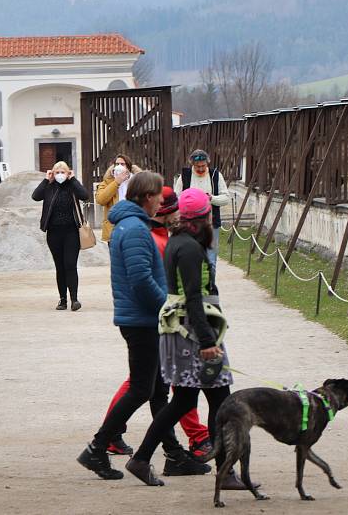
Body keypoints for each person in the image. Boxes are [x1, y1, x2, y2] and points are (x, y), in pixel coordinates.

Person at [124, 188, 256, 491]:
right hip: (194, 333)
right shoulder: (191, 249)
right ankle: (226, 473)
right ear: (200, 220)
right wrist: (208, 341)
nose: (211, 219)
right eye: (208, 215)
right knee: (220, 401)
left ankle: (142, 459)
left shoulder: (178, 242)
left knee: (186, 400)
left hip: (185, 332)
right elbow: (193, 298)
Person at [77, 172, 198, 480]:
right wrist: (169, 309)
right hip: (142, 321)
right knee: (142, 389)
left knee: (157, 391)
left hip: (143, 318)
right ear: (147, 197)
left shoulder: (134, 225)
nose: (162, 200)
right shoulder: (134, 229)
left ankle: (173, 455)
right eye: (158, 195)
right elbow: (141, 280)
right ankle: (97, 448)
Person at [102, 187, 213, 465]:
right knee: (154, 386)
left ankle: (170, 450)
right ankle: (106, 439)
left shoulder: (162, 237)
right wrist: (171, 313)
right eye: (168, 205)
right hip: (155, 320)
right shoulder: (153, 237)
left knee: (158, 387)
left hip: (155, 319)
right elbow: (149, 283)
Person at [32, 161, 90, 311]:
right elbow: (35, 196)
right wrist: (46, 179)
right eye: (57, 172)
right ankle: (62, 300)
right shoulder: (49, 187)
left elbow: (85, 195)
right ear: (52, 173)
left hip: (71, 232)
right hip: (54, 233)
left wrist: (73, 179)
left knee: (70, 265)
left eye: (62, 172)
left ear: (68, 173)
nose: (60, 175)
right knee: (60, 267)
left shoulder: (72, 186)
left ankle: (74, 299)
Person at [173, 149, 230, 283]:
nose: (200, 169)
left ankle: (209, 288)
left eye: (203, 166)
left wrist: (211, 198)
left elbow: (226, 198)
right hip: (189, 224)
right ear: (192, 164)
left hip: (211, 223)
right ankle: (192, 288)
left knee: (211, 259)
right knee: (190, 257)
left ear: (207, 164)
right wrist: (190, 200)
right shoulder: (185, 176)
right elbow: (176, 198)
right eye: (197, 166)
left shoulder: (215, 175)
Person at [95, 154, 141, 242]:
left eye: (122, 164)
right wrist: (116, 182)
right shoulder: (108, 181)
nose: (119, 166)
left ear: (128, 167)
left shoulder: (137, 180)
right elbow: (101, 200)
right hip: (114, 229)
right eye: (117, 164)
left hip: (133, 227)